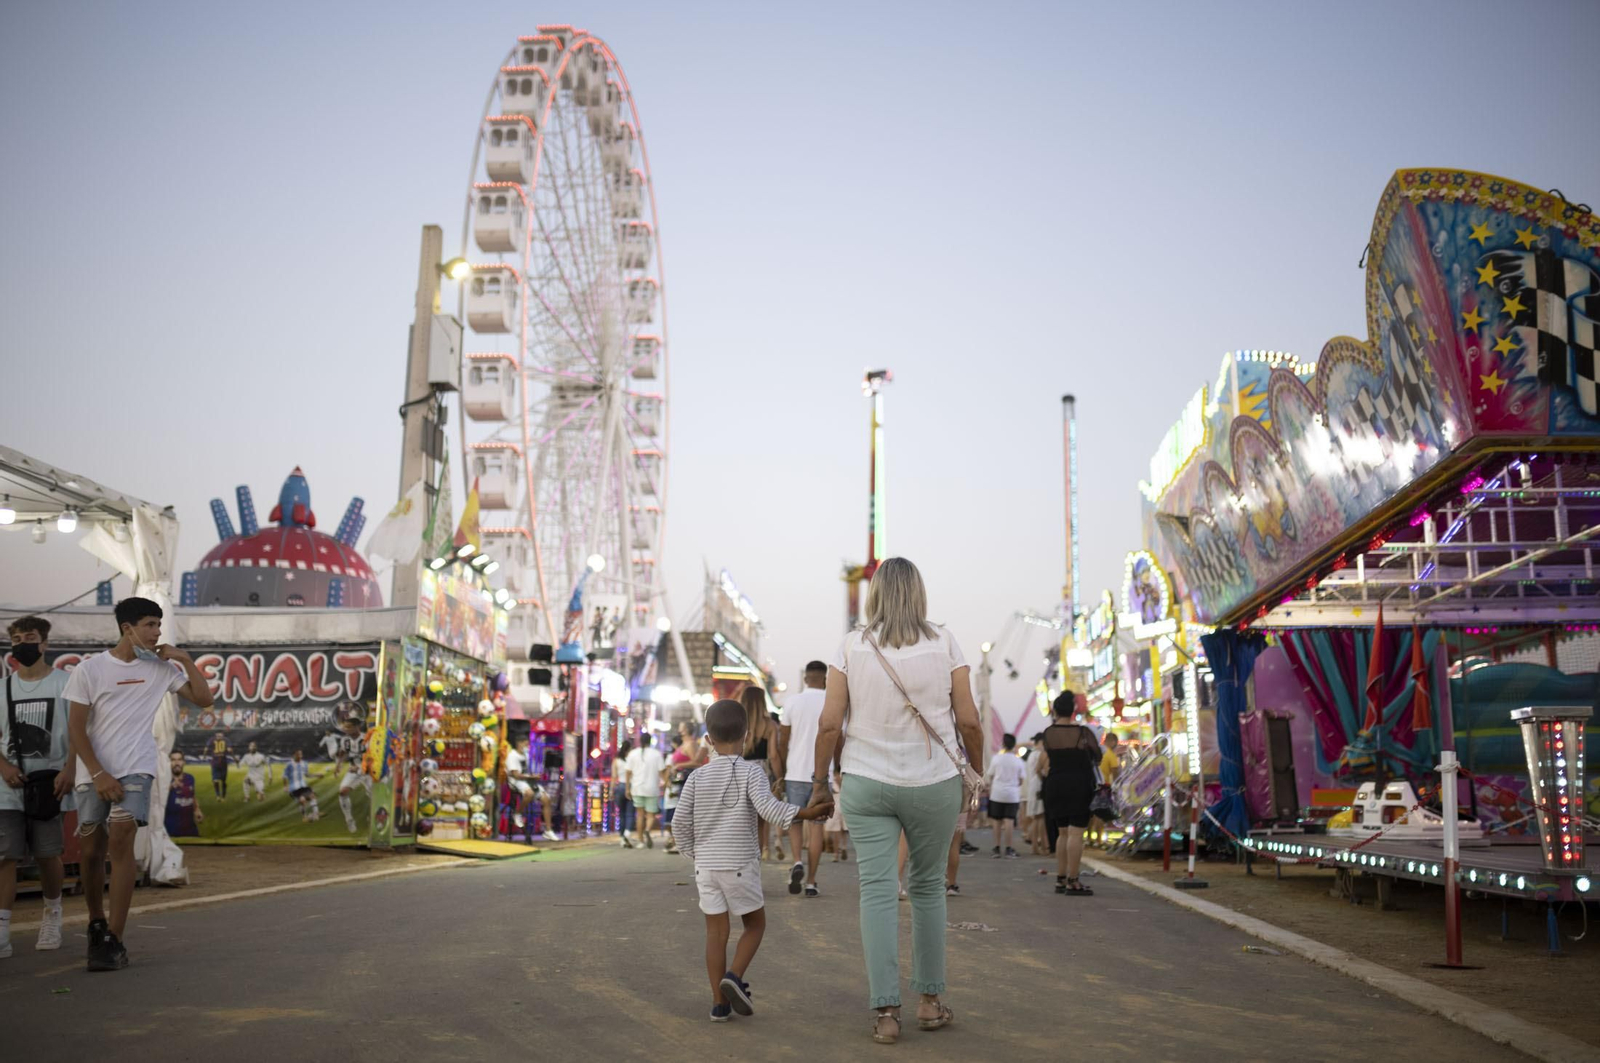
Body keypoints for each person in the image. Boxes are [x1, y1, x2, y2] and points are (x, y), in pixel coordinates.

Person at [805, 557, 983, 1044]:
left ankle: (886, 1012)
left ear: (876, 595)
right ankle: (928, 1002)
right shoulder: (945, 642)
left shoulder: (850, 646)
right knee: (926, 889)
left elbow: (829, 724)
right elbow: (968, 720)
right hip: (933, 782)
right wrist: (976, 771)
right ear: (919, 593)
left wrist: (821, 782)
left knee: (878, 890)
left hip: (866, 781)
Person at [66, 597, 214, 971]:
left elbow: (204, 699)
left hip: (137, 767)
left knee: (121, 841)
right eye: (149, 624)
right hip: (93, 773)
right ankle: (96, 922)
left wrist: (183, 658)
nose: (157, 632)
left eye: (159, 625)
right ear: (126, 628)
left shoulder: (161, 669)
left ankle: (114, 939)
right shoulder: (90, 670)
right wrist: (98, 773)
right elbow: (76, 729)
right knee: (91, 850)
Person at [674, 699, 827, 1022]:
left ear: (708, 740)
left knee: (715, 933)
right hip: (739, 864)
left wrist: (693, 853)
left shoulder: (696, 779)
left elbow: (679, 823)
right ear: (745, 737)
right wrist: (808, 812)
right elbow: (770, 811)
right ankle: (735, 975)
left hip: (706, 867)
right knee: (755, 925)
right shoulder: (751, 773)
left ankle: (719, 1004)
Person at [0, 616, 75, 957]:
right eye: (17, 638)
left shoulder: (67, 684)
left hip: (49, 784)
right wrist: (3, 766)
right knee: (6, 856)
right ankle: (2, 929)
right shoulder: (3, 688)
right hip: (8, 786)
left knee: (47, 854)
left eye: (30, 637)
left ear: (44, 643)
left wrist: (70, 769)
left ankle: (52, 914)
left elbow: (80, 733)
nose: (23, 644)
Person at [776, 660, 834, 897]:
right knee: (818, 827)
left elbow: (783, 740)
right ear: (825, 679)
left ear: (805, 678)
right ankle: (811, 882)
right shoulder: (831, 702)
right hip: (822, 775)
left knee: (795, 822)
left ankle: (798, 861)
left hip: (795, 773)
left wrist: (780, 772)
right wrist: (838, 767)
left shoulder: (792, 702)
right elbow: (837, 738)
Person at [1041, 691, 1102, 896]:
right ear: (1074, 710)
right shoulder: (1083, 733)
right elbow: (1097, 756)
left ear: (1055, 710)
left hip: (1055, 784)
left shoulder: (1048, 733)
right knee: (1076, 833)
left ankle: (1060, 878)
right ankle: (1073, 880)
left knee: (1063, 833)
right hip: (1078, 784)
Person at [739, 686, 781, 862]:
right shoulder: (769, 725)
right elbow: (773, 755)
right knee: (762, 815)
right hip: (761, 771)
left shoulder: (737, 723)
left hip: (740, 770)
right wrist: (779, 777)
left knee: (742, 814)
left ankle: (743, 852)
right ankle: (763, 848)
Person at [985, 734, 1027, 859]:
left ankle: (997, 848)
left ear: (1003, 744)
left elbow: (991, 776)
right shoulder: (1018, 760)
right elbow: (1021, 780)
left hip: (997, 794)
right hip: (1012, 795)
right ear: (1014, 745)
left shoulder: (996, 759)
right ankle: (1009, 848)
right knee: (1009, 821)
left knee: (997, 821)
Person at [624, 733, 665, 848]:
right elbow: (662, 772)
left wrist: (627, 788)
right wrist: (666, 783)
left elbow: (628, 772)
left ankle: (641, 841)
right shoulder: (656, 754)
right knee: (651, 815)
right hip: (652, 788)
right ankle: (647, 829)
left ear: (639, 741)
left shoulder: (633, 754)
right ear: (650, 741)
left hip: (637, 788)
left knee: (640, 815)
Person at [164, 751, 203, 837]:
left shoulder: (190, 778)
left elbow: (192, 795)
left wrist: (197, 810)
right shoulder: (164, 779)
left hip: (190, 828)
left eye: (179, 760)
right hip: (171, 828)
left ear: (184, 762)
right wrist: (172, 786)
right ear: (168, 763)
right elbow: (157, 798)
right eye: (173, 760)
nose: (176, 763)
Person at [662, 733, 688, 853]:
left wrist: (666, 784)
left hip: (674, 788)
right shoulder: (682, 754)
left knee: (671, 816)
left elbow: (667, 772)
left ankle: (671, 841)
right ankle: (673, 841)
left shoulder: (672, 756)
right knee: (677, 815)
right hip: (680, 788)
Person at [1026, 733, 1048, 855]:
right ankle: (1042, 846)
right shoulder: (1040, 754)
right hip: (1039, 787)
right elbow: (1040, 771)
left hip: (1032, 787)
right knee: (1040, 817)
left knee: (1036, 817)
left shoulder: (1031, 754)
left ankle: (1035, 846)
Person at [283, 749, 318, 821]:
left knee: (312, 796)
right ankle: (305, 816)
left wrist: (316, 775)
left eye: (300, 754)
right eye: (298, 754)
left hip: (303, 786)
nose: (299, 756)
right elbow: (284, 776)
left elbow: (307, 774)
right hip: (294, 788)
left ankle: (316, 813)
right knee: (302, 800)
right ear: (294, 755)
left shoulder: (304, 763)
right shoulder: (289, 764)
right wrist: (285, 786)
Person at [612, 739, 635, 847]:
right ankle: (627, 834)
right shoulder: (632, 760)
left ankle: (622, 838)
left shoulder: (616, 761)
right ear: (630, 749)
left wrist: (611, 790)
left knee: (621, 814)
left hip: (620, 786)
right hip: (631, 786)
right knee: (630, 814)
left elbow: (613, 777)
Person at [207, 729, 232, 800]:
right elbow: (207, 747)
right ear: (215, 735)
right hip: (215, 763)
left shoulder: (226, 740)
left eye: (220, 735)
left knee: (223, 781)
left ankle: (223, 796)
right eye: (217, 735)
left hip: (223, 763)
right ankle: (218, 795)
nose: (218, 737)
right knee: (215, 780)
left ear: (223, 735)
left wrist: (229, 750)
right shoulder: (212, 740)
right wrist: (205, 754)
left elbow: (230, 748)